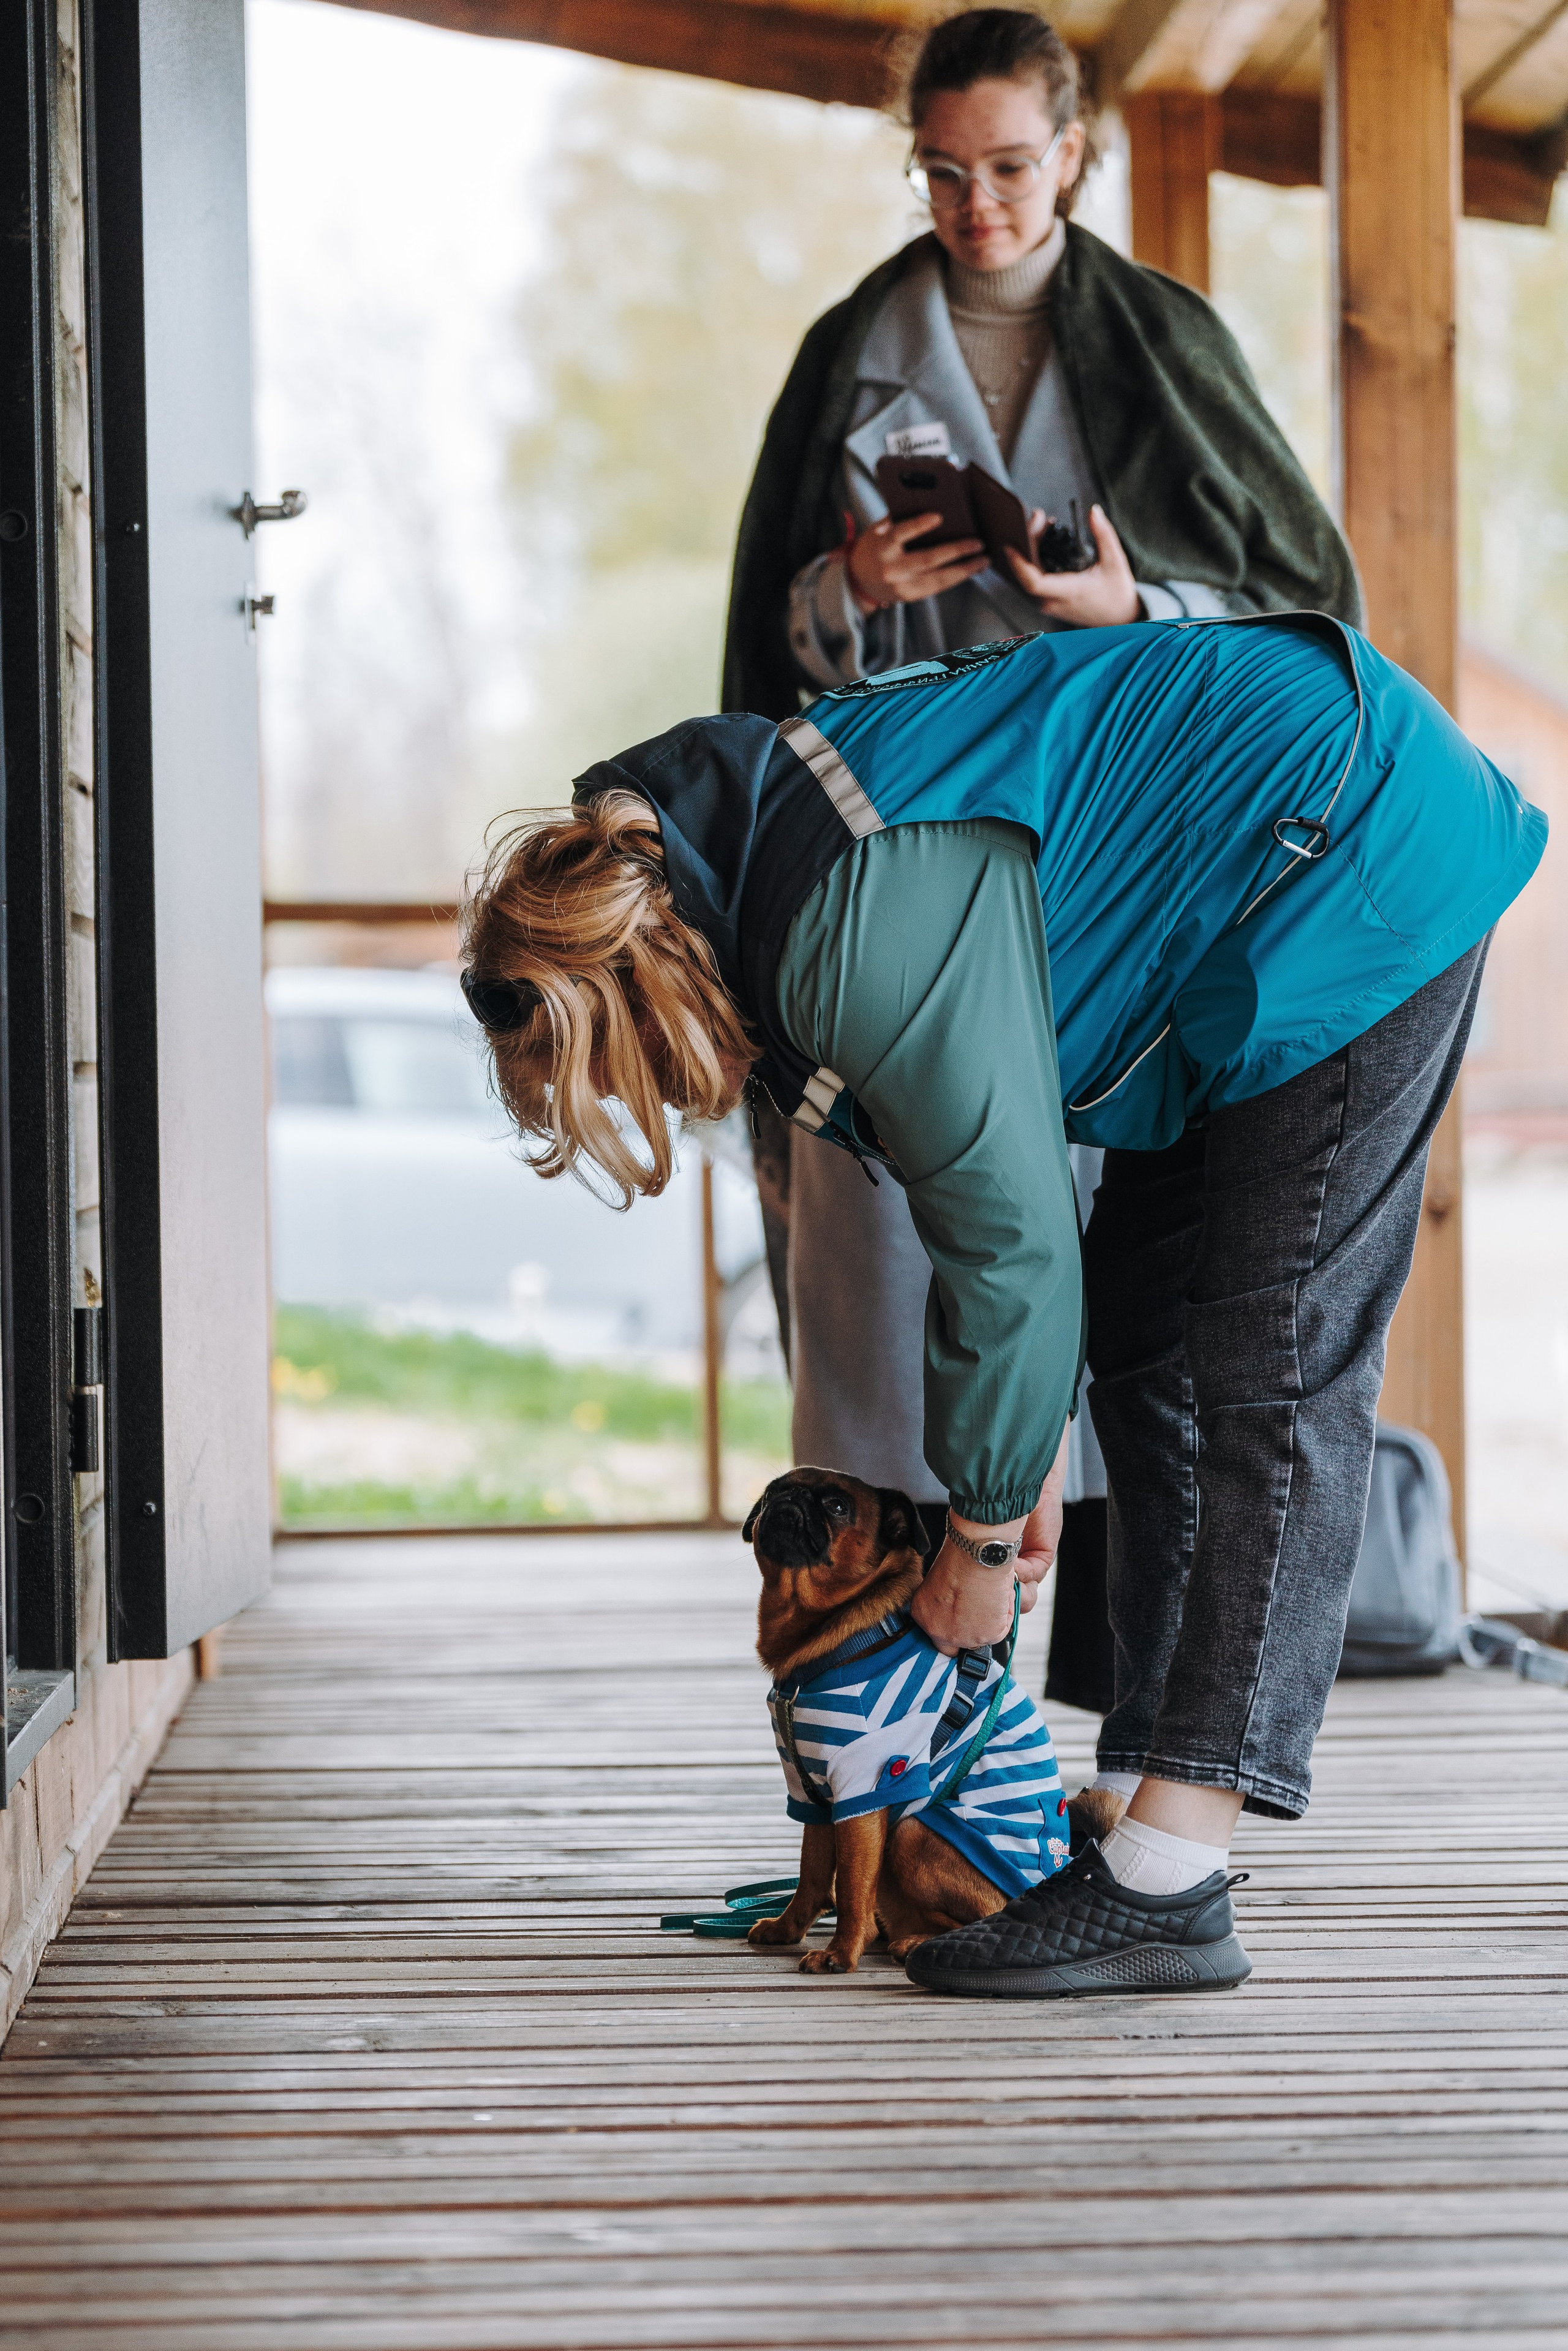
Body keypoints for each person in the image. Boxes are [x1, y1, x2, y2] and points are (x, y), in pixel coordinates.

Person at [460, 611, 1544, 1997]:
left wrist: (976, 1545)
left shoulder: (847, 923)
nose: (645, 1105)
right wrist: (1011, 1461)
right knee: (1147, 1332)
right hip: (1249, 878)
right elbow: (995, 1223)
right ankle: (1136, 1815)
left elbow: (1012, 1249)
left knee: (1265, 1354)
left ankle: (1171, 1879)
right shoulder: (755, 870)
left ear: (639, 997)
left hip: (1353, 843)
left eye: (614, 1077)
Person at [720, 7, 1364, 1655]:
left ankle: (1069, 1661)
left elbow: (1304, 603)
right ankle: (875, 1638)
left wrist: (1126, 605)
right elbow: (765, 653)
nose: (977, 206)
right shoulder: (848, 349)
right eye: (942, 173)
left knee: (1073, 1226)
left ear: (1073, 154)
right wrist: (846, 589)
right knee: (880, 1238)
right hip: (894, 851)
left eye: (1009, 168)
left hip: (1101, 859)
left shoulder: (1163, 340)